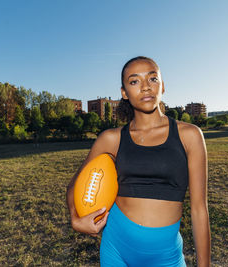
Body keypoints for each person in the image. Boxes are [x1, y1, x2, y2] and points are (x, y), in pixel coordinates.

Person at [66, 56, 211, 266]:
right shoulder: (111, 139)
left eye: (152, 79)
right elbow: (74, 185)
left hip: (166, 256)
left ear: (163, 85)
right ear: (124, 92)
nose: (145, 87)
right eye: (134, 81)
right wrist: (74, 218)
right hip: (116, 250)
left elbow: (199, 209)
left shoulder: (190, 135)